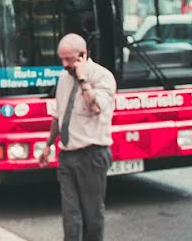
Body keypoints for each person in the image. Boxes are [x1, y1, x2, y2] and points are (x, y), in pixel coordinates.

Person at [39, 34, 116, 241]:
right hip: (67, 155)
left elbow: (96, 107)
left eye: (69, 59)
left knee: (92, 215)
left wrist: (83, 79)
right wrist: (48, 145)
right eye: (61, 59)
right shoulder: (63, 79)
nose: (64, 65)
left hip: (92, 155)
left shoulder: (102, 77)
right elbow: (58, 116)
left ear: (83, 55)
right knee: (70, 214)